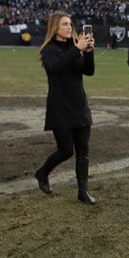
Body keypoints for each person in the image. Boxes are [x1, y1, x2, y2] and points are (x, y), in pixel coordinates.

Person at [34, 12, 98, 204]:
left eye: (70, 24)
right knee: (65, 151)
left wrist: (88, 52)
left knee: (83, 150)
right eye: (64, 24)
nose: (69, 27)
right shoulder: (49, 50)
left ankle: (83, 191)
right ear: (55, 27)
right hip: (60, 107)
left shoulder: (74, 46)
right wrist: (77, 49)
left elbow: (89, 71)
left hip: (79, 105)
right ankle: (42, 173)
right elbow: (56, 67)